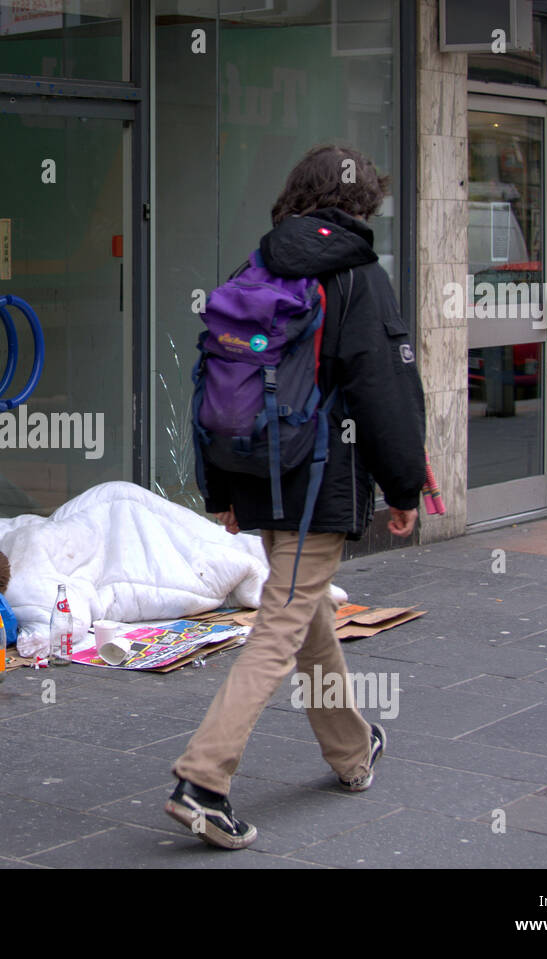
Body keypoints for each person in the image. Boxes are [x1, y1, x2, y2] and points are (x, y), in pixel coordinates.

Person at [166, 144, 427, 850]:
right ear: (360, 205)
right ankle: (203, 779)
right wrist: (405, 486)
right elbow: (384, 393)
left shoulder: (256, 265)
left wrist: (219, 487)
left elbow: (212, 383)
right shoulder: (359, 277)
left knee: (299, 607)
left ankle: (351, 748)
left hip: (255, 472)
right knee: (283, 620)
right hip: (318, 478)